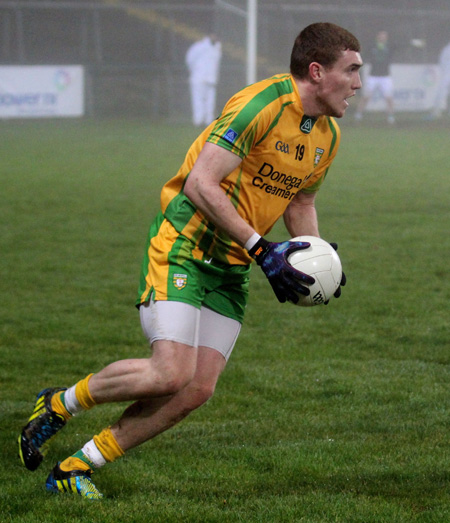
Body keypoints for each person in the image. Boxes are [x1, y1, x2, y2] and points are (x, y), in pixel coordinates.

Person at [18, 22, 362, 500]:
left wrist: (315, 257)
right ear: (318, 71)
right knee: (170, 373)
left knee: (196, 389)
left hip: (233, 265)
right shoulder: (260, 105)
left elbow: (299, 202)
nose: (359, 83)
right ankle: (59, 403)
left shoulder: (328, 136)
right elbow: (201, 183)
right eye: (352, 70)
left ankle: (77, 467)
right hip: (186, 244)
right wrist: (263, 250)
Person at [354, 30, 395, 124]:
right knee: (366, 97)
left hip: (385, 76)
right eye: (381, 35)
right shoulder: (372, 47)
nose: (382, 37)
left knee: (389, 97)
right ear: (378, 37)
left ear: (386, 38)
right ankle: (358, 115)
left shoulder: (390, 47)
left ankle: (391, 117)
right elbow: (364, 56)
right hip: (373, 76)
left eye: (384, 36)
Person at [185, 33, 222, 127]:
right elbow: (190, 59)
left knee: (210, 101)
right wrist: (195, 70)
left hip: (211, 78)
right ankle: (198, 120)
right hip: (198, 77)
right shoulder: (199, 46)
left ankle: (208, 121)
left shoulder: (217, 47)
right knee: (198, 99)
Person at [430, 41, 450, 119]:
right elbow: (442, 62)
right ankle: (436, 111)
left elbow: (441, 61)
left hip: (446, 74)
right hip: (446, 75)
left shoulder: (446, 49)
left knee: (442, 92)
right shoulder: (447, 49)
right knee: (442, 92)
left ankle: (436, 111)